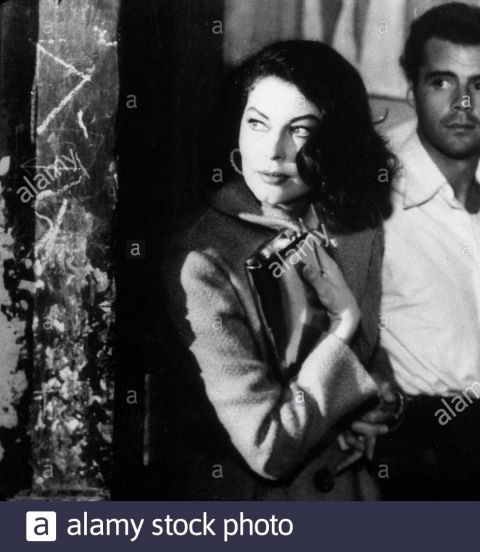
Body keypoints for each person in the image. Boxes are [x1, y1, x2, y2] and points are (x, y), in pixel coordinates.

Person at [156, 40, 399, 500]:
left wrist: (381, 402)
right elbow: (268, 447)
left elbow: (370, 358)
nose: (272, 151)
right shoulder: (200, 263)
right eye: (257, 123)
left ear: (336, 138)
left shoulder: (358, 228)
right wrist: (342, 325)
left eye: (299, 130)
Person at [372, 2, 480, 499]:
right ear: (411, 89)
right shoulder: (370, 187)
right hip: (403, 443)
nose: (462, 103)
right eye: (441, 82)